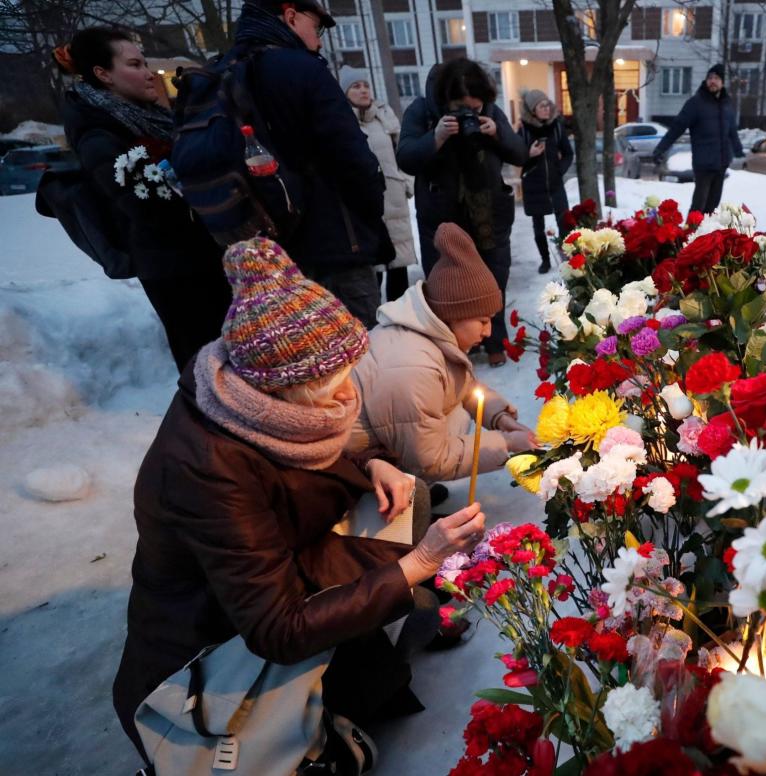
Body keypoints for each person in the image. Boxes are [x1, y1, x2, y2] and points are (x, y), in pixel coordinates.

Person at [112, 237, 487, 765]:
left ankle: (391, 631)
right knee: (413, 573)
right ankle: (340, 707)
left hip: (291, 552)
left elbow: (313, 453)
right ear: (281, 388)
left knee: (412, 501)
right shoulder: (206, 470)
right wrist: (418, 563)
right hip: (220, 644)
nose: (347, 396)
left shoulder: (263, 404)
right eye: (332, 384)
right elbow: (276, 629)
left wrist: (370, 462)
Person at [56, 28, 231, 372]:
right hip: (175, 270)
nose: (149, 72)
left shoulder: (149, 116)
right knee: (206, 367)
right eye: (135, 64)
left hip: (200, 258)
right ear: (103, 75)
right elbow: (144, 207)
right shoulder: (99, 133)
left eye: (145, 63)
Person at [223, 0, 393, 327]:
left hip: (267, 254)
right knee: (358, 354)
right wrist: (370, 213)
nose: (318, 40)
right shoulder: (303, 69)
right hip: (335, 244)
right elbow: (354, 158)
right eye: (316, 29)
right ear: (290, 17)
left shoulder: (223, 73)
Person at [350, 223, 536, 488]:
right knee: (454, 417)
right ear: (454, 314)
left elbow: (464, 386)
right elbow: (430, 458)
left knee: (454, 408)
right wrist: (504, 443)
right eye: (482, 321)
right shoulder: (413, 365)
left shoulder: (431, 332)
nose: (488, 331)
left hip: (391, 444)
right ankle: (409, 511)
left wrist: (499, 417)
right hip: (355, 470)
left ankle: (415, 489)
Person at [397, 59, 527, 367]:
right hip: (440, 218)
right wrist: (436, 137)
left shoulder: (492, 113)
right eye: (461, 107)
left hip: (487, 216)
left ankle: (495, 341)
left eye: (476, 107)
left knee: (494, 281)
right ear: (445, 100)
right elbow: (405, 158)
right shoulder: (422, 111)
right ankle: (453, 349)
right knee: (446, 287)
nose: (470, 113)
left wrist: (497, 134)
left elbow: (520, 153)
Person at [339, 66, 418, 303]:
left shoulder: (384, 115)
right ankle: (374, 324)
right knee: (372, 271)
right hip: (364, 204)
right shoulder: (341, 120)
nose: (363, 90)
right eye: (356, 86)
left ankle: (400, 322)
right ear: (345, 93)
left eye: (365, 85)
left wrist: (406, 182)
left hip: (394, 200)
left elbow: (401, 150)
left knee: (398, 265)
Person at [650, 63, 744, 215]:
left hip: (721, 163)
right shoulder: (696, 103)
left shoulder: (727, 104)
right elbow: (677, 127)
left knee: (713, 205)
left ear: (722, 82)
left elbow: (732, 131)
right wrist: (661, 148)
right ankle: (690, 235)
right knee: (699, 205)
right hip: (703, 163)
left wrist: (739, 152)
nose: (713, 81)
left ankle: (707, 236)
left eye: (716, 78)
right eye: (710, 78)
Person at [516, 90, 574, 274]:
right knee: (538, 228)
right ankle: (545, 260)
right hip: (534, 185)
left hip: (555, 185)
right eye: (542, 106)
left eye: (547, 104)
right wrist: (529, 154)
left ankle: (566, 259)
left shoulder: (556, 127)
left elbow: (568, 153)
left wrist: (559, 170)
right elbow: (516, 157)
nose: (547, 109)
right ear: (533, 110)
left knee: (564, 223)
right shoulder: (523, 130)